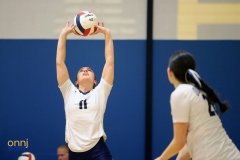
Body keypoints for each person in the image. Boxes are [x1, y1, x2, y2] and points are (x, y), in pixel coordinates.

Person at [155, 50, 240, 160]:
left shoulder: (180, 93)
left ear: (169, 71)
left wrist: (161, 158)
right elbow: (191, 145)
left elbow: (179, 142)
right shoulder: (200, 91)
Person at [56, 21, 114, 160]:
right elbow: (59, 62)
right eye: (82, 70)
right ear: (76, 81)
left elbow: (110, 61)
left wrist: (107, 34)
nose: (85, 70)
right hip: (75, 151)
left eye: (89, 70)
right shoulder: (68, 91)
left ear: (95, 81)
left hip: (97, 150)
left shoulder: (101, 91)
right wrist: (63, 34)